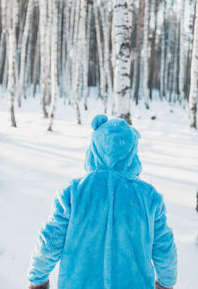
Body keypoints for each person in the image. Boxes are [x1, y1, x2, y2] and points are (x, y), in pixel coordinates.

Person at [27, 115, 177, 289]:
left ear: (94, 148)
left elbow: (50, 240)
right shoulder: (148, 197)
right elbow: (164, 247)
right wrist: (166, 283)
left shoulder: (73, 192)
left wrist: (37, 279)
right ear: (132, 151)